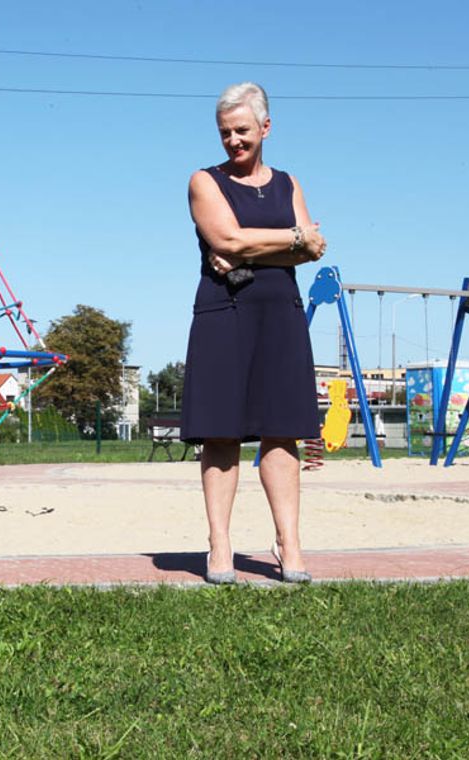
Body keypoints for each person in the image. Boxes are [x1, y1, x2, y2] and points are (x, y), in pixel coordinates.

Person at [179, 82, 327, 585]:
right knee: (220, 433)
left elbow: (313, 251)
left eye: (242, 130)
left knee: (282, 431)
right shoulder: (205, 181)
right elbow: (226, 238)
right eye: (225, 133)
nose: (233, 141)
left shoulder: (289, 183)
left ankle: (289, 542)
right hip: (224, 311)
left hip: (280, 312)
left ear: (266, 127)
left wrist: (252, 248)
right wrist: (289, 238)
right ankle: (219, 545)